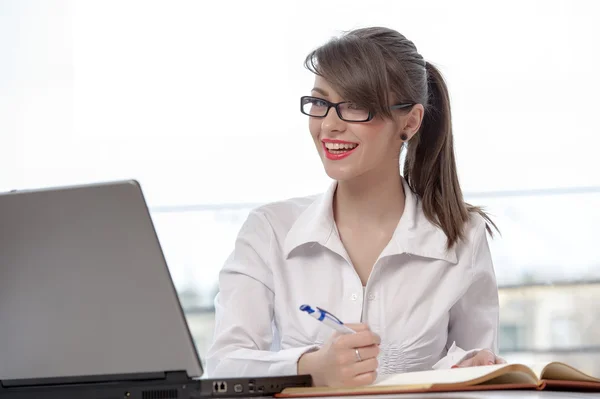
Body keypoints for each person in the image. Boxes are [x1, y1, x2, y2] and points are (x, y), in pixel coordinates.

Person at [206, 27, 504, 387]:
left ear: (409, 122)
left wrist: (474, 367)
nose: (330, 124)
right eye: (320, 102)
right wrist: (311, 366)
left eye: (356, 106)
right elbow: (224, 366)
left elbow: (481, 369)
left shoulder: (462, 236)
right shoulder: (270, 230)